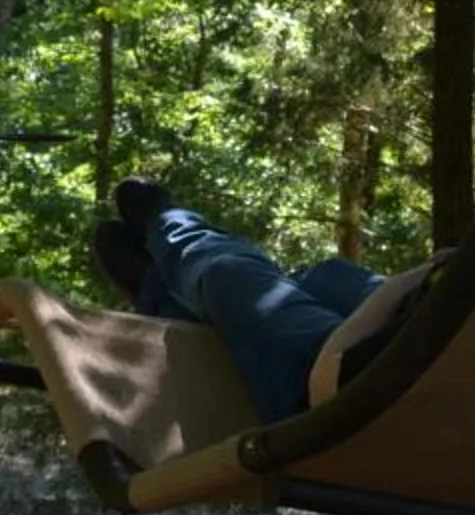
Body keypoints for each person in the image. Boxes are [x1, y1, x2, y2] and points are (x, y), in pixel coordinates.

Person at [91, 178, 417, 423]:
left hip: (362, 377)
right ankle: (163, 279)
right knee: (326, 277)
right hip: (417, 323)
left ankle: (169, 239)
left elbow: (335, 371)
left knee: (228, 276)